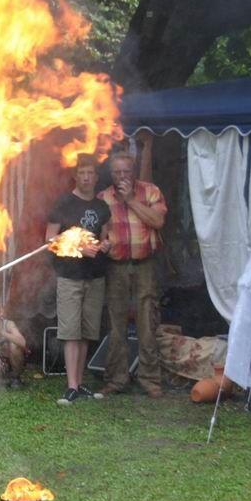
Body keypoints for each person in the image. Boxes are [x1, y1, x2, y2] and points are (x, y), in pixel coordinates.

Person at [96, 151, 168, 398]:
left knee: (147, 321)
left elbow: (157, 222)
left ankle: (150, 380)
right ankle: (116, 380)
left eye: (126, 171)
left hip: (144, 264)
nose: (122, 176)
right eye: (117, 172)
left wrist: (130, 201)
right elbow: (98, 234)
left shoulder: (150, 192)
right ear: (111, 174)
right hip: (115, 267)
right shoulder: (102, 197)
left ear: (133, 171)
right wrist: (102, 243)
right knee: (116, 325)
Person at [44, 153, 111, 405]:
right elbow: (50, 241)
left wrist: (106, 245)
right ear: (76, 176)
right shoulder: (63, 203)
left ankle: (80, 383)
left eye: (90, 173)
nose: (86, 177)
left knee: (86, 331)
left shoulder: (102, 207)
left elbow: (106, 235)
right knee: (71, 331)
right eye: (82, 172)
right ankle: (70, 386)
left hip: (95, 277)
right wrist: (79, 250)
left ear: (96, 177)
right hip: (70, 275)